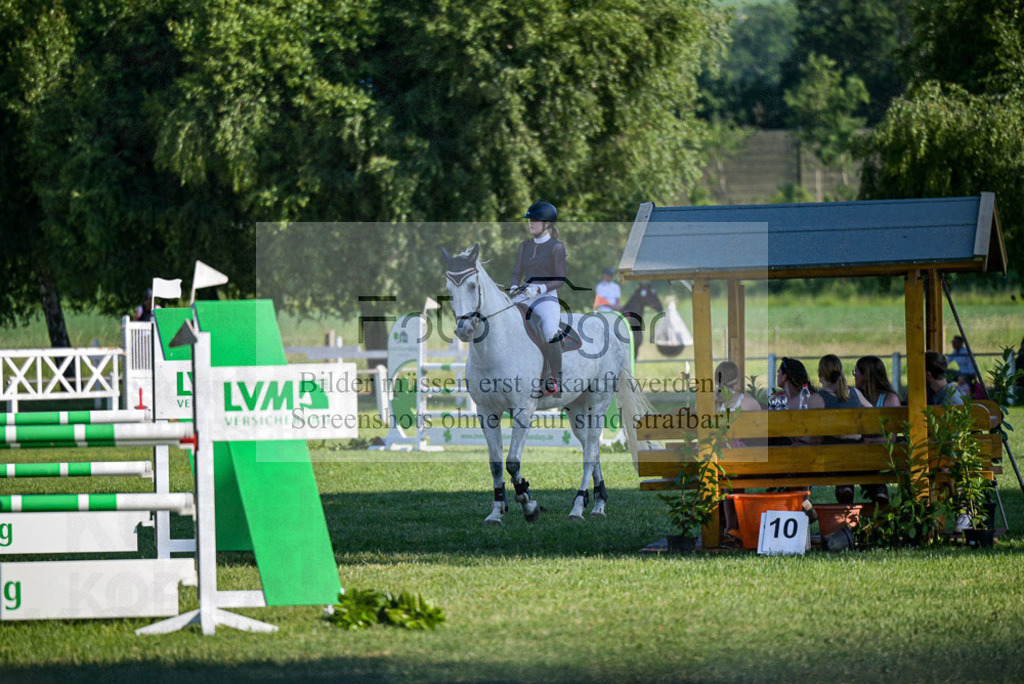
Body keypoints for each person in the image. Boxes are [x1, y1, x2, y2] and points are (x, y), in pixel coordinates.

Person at [510, 201, 567, 398]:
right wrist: (514, 287)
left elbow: (560, 279)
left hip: (547, 298)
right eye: (530, 220)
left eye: (535, 220)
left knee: (550, 331)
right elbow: (517, 272)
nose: (531, 224)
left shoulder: (556, 247)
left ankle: (554, 379)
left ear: (547, 224)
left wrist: (541, 287)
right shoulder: (524, 246)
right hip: (524, 296)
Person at [819, 354, 888, 505]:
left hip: (833, 454)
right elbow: (874, 415)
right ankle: (879, 490)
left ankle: (844, 487)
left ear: (820, 374)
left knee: (840, 456)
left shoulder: (819, 397)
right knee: (858, 458)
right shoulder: (855, 393)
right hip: (857, 450)